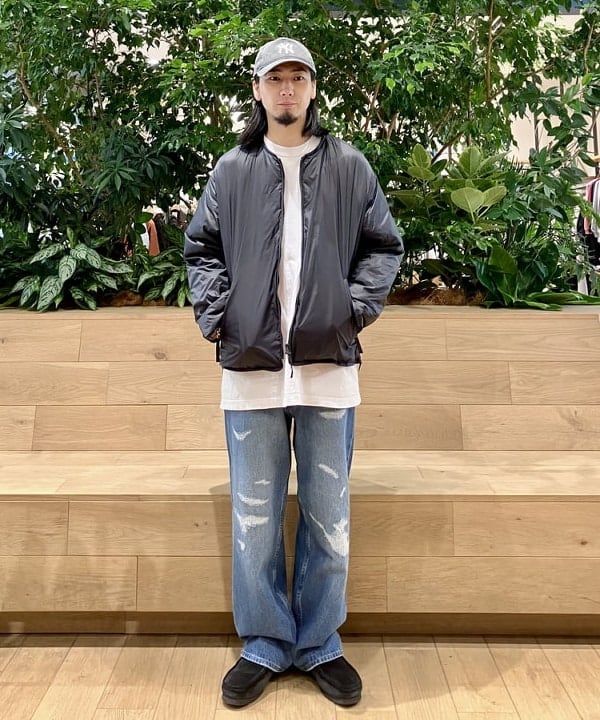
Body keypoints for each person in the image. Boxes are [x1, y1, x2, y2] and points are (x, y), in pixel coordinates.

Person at [184, 37, 403, 708]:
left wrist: (350, 312)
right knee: (254, 520)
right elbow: (200, 249)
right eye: (274, 77)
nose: (286, 88)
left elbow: (383, 247)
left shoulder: (349, 166)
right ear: (257, 90)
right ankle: (265, 643)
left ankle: (318, 643)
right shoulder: (231, 171)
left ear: (312, 88)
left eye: (297, 77)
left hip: (328, 371)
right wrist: (220, 317)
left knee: (329, 518)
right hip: (249, 372)